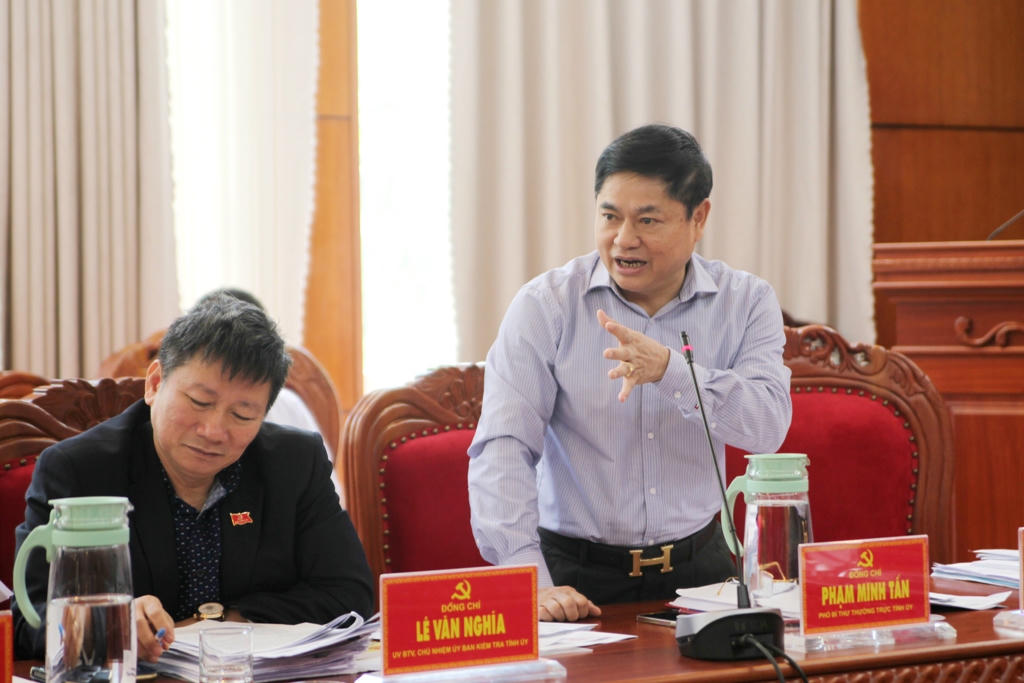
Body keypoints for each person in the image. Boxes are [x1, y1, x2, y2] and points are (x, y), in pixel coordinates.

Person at [467, 123, 793, 622]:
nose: (623, 240)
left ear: (698, 218)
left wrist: (671, 372)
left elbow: (766, 427)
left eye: (647, 220)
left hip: (702, 569)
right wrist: (527, 576)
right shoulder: (546, 306)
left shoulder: (746, 302)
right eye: (610, 216)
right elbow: (503, 448)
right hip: (573, 576)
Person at [12, 292, 374, 660]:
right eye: (200, 402)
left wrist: (220, 622)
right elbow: (28, 621)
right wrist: (111, 625)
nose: (214, 431)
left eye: (242, 415)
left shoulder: (294, 461)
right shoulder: (78, 470)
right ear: (155, 384)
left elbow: (350, 594)